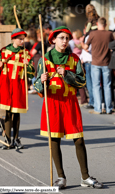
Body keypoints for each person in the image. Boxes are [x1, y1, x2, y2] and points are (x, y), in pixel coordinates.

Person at [34, 26, 103, 189]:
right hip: (52, 102)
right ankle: (61, 177)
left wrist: (67, 74)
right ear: (53, 40)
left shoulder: (73, 59)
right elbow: (37, 86)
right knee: (55, 139)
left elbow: (82, 82)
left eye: (67, 38)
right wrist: (42, 80)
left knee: (78, 139)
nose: (65, 41)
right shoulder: (45, 59)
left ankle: (85, 177)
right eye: (61, 38)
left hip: (70, 102)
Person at [0, 28, 35, 149]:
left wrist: (27, 65)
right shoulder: (3, 52)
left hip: (19, 85)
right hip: (7, 85)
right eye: (20, 39)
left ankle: (16, 139)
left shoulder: (26, 53)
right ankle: (7, 139)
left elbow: (31, 73)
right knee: (8, 112)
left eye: (23, 39)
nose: (22, 41)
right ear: (13, 38)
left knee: (17, 112)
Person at [83, 17, 114, 114]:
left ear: (97, 23)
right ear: (106, 24)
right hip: (106, 63)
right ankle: (108, 108)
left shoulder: (93, 34)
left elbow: (86, 47)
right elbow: (112, 47)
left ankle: (98, 108)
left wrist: (81, 44)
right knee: (107, 86)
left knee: (96, 86)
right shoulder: (109, 34)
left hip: (95, 63)